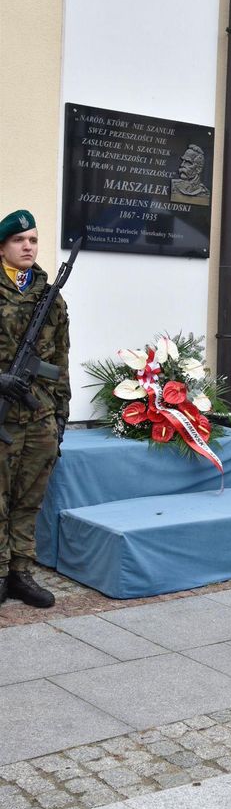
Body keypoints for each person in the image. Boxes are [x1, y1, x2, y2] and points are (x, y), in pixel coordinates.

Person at [0, 210, 71, 608]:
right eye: (19, 241)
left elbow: (60, 360)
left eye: (33, 240)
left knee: (29, 498)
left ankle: (20, 572)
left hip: (39, 414)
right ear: (2, 248)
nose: (28, 247)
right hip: (2, 413)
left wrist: (60, 416)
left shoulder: (51, 296)